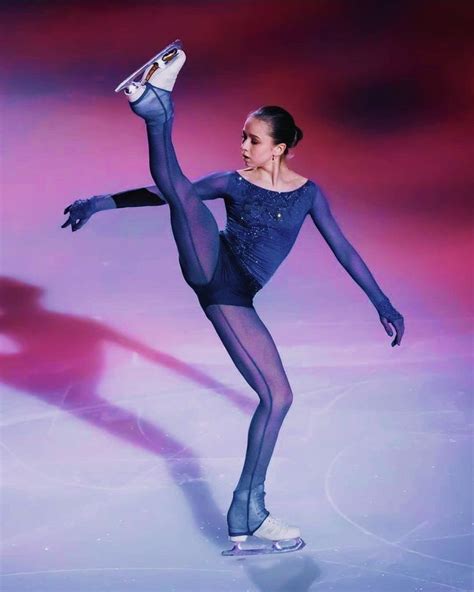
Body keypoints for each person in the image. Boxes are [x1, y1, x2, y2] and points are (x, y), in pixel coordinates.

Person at [62, 40, 404, 556]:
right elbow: (168, 193)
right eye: (242, 137)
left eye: (253, 140)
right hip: (212, 268)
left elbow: (344, 249)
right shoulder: (232, 182)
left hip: (238, 294)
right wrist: (101, 201)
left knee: (279, 397)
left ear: (280, 147)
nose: (243, 146)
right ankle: (157, 111)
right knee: (181, 193)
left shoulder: (309, 194)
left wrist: (381, 300)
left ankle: (248, 508)